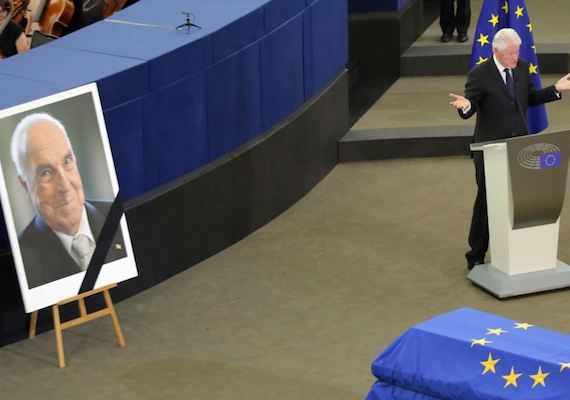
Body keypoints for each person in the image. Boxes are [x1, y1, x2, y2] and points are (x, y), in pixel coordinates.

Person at [448, 28, 570, 270]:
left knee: (520, 200)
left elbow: (530, 98)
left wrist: (555, 89)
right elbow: (470, 107)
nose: (515, 57)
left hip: (519, 148)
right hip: (489, 149)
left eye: (517, 52)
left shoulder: (522, 68)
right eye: (510, 53)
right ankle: (476, 254)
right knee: (486, 201)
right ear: (496, 51)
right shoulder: (480, 74)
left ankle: (520, 252)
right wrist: (465, 106)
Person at [10, 113, 126, 288]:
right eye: (46, 172)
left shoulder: (117, 217)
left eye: (67, 161)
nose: (65, 186)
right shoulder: (23, 262)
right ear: (26, 186)